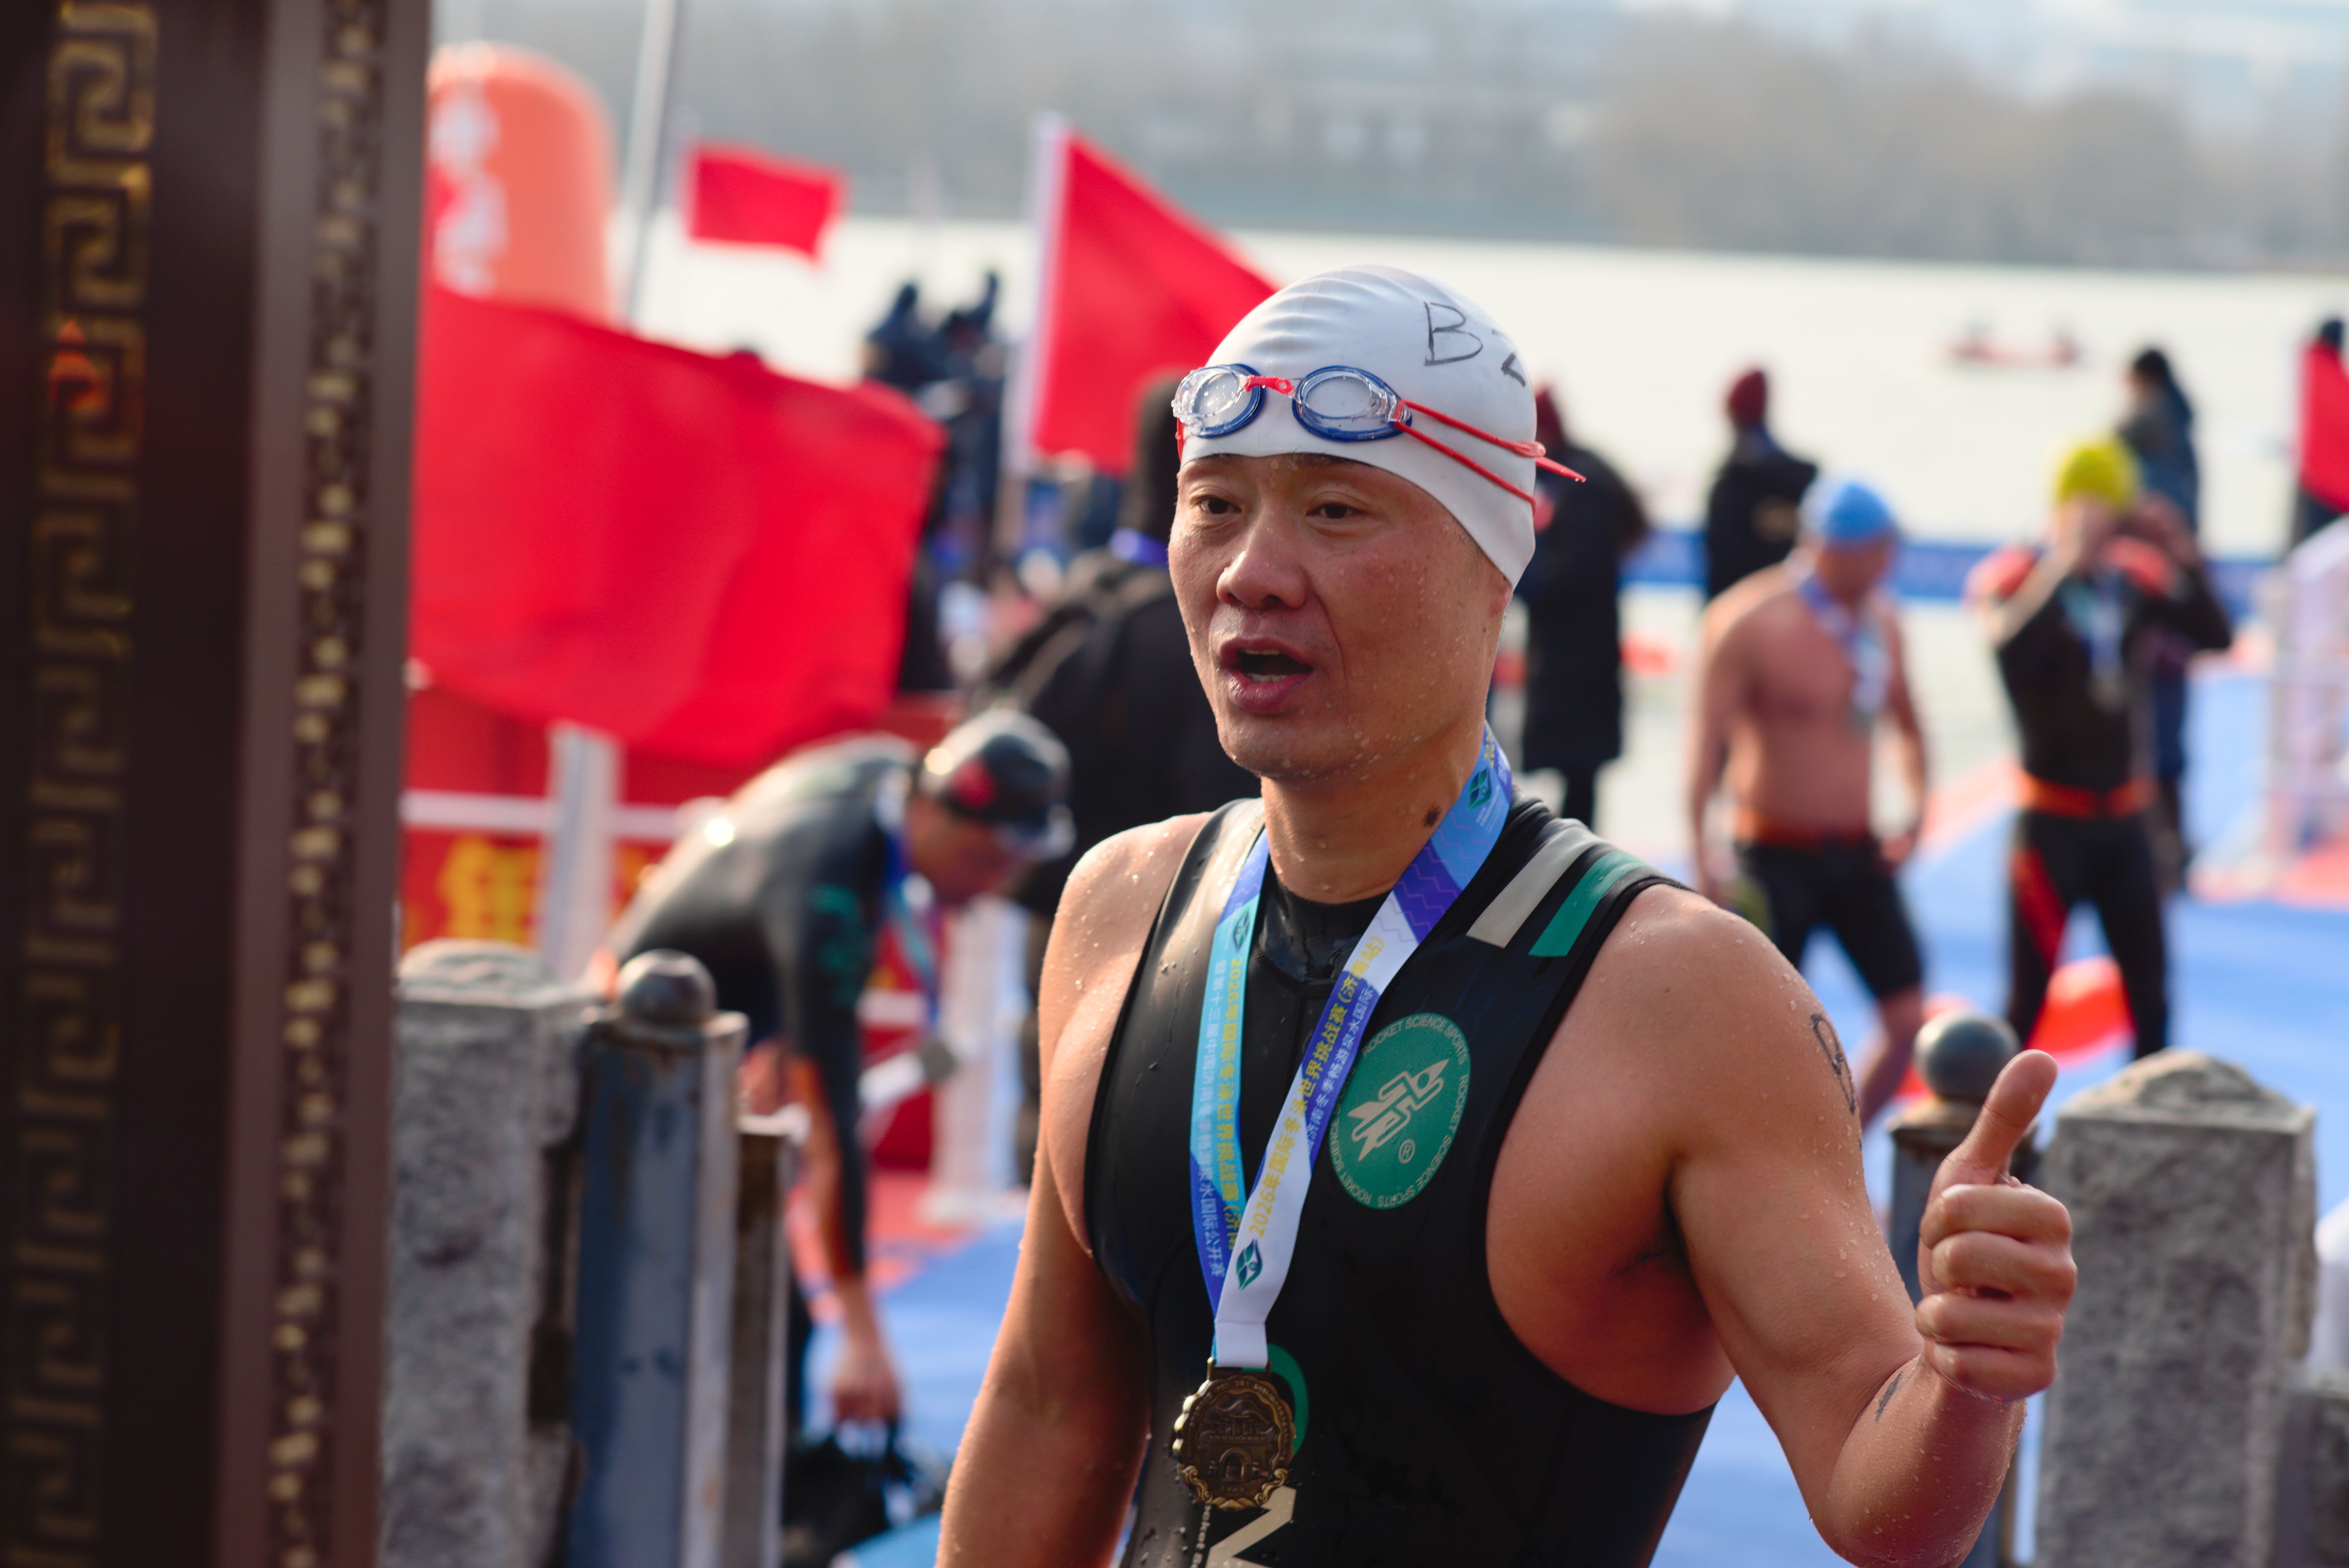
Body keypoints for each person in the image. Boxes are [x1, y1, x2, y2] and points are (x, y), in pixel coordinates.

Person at [940, 266, 2075, 1566]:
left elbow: (1889, 1505)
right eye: (1215, 504)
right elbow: (1047, 1404)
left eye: (1332, 508)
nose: (1253, 571)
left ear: (1494, 562)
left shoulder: (1682, 1001)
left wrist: (1966, 1379)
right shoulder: (1121, 908)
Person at [601, 713, 1073, 1435]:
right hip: (635, 1071)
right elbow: (832, 1130)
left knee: (758, 1307)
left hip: (674, 1026)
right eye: (984, 861)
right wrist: (863, 1337)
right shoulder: (829, 899)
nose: (986, 891)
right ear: (934, 814)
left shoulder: (881, 773)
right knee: (770, 1323)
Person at [980, 379, 1258, 1173]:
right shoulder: (1183, 626)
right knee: (1152, 1123)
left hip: (1060, 889)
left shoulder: (1084, 598)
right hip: (1167, 911)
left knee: (1055, 1091)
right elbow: (1221, 798)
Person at [1969, 437, 2232, 1061]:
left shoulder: (2132, 583)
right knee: (2026, 1004)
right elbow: (2009, 657)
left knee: (2154, 1000)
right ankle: (1995, 1147)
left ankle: (2139, 1145)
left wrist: (2184, 556)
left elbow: (2216, 635)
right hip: (2051, 824)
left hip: (2126, 823)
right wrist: (2064, 565)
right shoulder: (2017, 578)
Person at [1686, 477, 1928, 1128]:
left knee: (1908, 1019)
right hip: (1773, 853)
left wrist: (1917, 811)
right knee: (1757, 1036)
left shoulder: (1881, 621)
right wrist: (1702, 851)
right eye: (1879, 550)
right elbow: (1706, 745)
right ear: (1834, 548)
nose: (1888, 564)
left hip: (1856, 852)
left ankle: (1839, 1149)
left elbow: (1909, 724)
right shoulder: (1750, 621)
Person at [1515, 385, 1649, 828]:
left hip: (1576, 650)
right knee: (1574, 770)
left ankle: (1570, 870)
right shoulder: (1583, 470)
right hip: (1575, 644)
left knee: (1576, 769)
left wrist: (1516, 576)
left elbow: (1569, 572)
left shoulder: (1576, 482)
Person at [2118, 347, 2202, 882]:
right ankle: (2174, 845)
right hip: (2177, 595)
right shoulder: (2186, 430)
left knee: (2145, 735)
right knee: (2169, 731)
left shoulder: (2142, 428)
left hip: (2148, 598)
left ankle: (2158, 851)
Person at [1702, 366, 1818, 601]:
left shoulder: (1730, 486)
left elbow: (1721, 569)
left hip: (1739, 617)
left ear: (1730, 413)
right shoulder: (1805, 480)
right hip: (1798, 614)